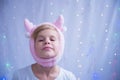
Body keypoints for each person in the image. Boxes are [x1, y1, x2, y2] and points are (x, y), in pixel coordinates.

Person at [12, 15, 76, 80]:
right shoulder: (19, 76)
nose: (47, 42)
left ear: (60, 45)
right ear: (33, 45)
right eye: (41, 40)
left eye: (52, 39)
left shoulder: (69, 77)